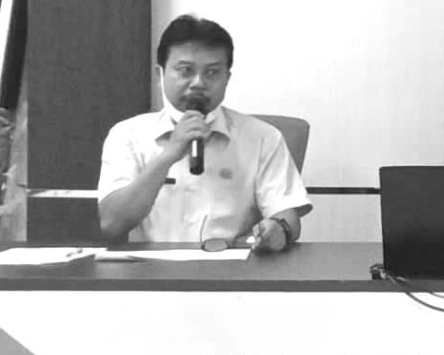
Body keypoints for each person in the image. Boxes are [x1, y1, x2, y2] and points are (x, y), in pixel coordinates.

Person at [97, 16, 310, 250]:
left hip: (233, 267)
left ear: (227, 78)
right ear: (160, 74)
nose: (198, 82)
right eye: (186, 70)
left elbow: (287, 215)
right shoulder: (127, 135)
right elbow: (112, 223)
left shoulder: (263, 137)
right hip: (151, 268)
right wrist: (169, 155)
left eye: (212, 72)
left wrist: (279, 229)